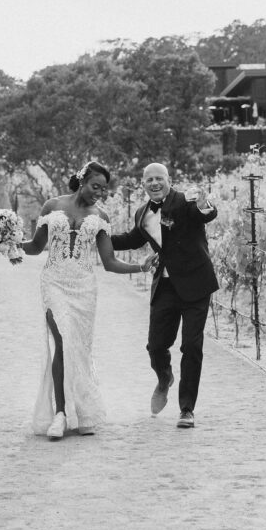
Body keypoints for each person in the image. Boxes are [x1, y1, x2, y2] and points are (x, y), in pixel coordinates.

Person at [18, 160, 156, 440]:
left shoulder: (101, 216)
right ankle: (59, 414)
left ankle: (83, 410)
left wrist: (140, 268)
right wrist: (8, 242)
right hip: (54, 282)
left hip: (84, 288)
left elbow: (109, 262)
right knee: (63, 342)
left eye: (103, 190)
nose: (99, 193)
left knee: (78, 348)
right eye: (95, 186)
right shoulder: (52, 206)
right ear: (82, 181)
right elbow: (35, 248)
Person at [111, 162, 218, 429]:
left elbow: (204, 214)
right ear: (143, 184)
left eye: (160, 178)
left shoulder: (184, 202)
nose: (155, 183)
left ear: (169, 180)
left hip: (196, 284)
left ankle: (186, 409)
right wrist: (99, 236)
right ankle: (164, 378)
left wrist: (206, 204)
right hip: (166, 286)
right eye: (149, 180)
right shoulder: (142, 213)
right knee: (156, 346)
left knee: (191, 347)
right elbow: (132, 239)